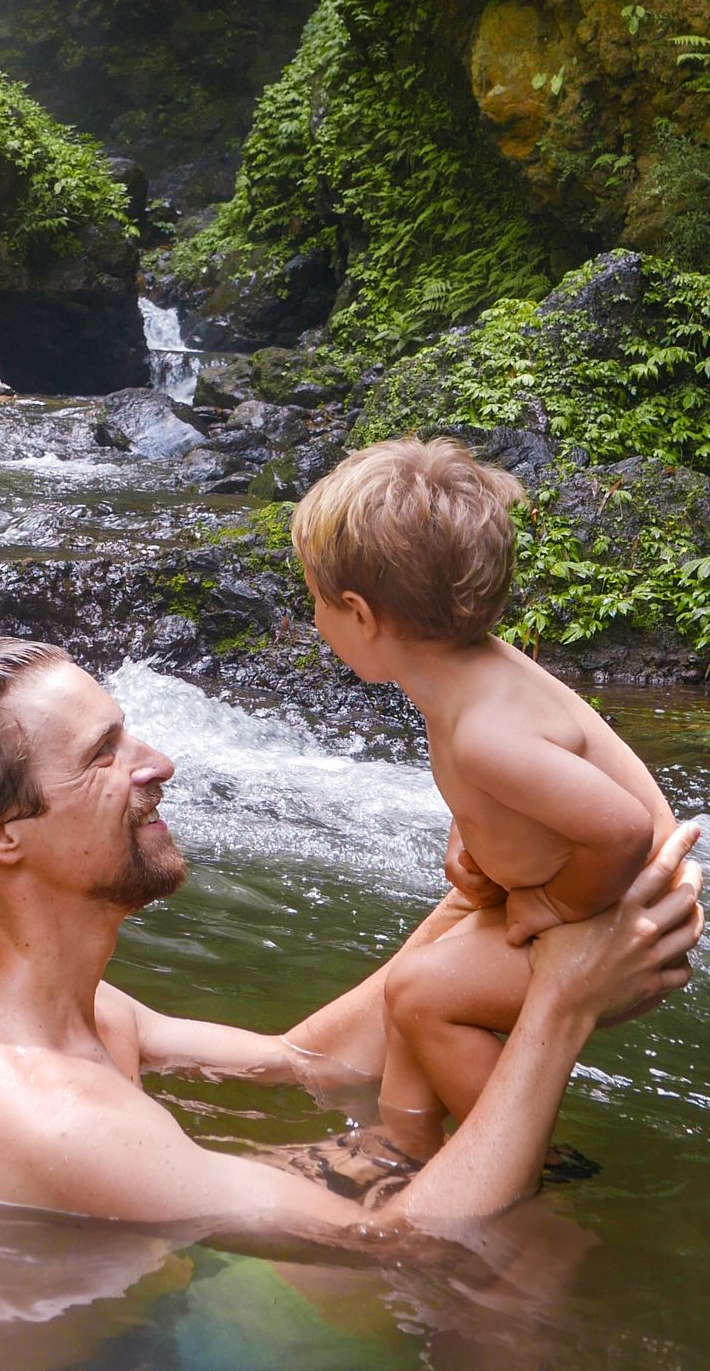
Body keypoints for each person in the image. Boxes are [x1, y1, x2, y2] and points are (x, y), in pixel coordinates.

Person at [0, 635, 702, 1240]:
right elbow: (410, 1247)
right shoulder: (31, 1105)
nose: (158, 762)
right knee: (524, 1264)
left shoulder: (52, 1007)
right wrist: (562, 1003)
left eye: (129, 732)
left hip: (149, 1316)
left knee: (426, 1161)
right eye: (102, 756)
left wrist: (497, 886)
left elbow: (307, 1059)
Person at [290, 438, 678, 1157]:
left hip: (621, 911)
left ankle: (526, 1164)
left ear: (360, 613)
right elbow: (534, 779)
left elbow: (623, 830)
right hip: (606, 891)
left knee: (422, 995)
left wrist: (556, 901)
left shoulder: (484, 733)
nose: (315, 620)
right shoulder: (474, 675)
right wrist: (475, 836)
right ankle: (404, 1142)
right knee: (416, 992)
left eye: (317, 601)